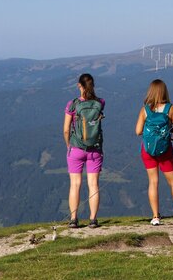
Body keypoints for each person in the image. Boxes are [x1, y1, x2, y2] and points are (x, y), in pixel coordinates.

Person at [135, 79, 173, 226]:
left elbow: (137, 131)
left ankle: (155, 217)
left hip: (148, 150)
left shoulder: (145, 110)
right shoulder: (170, 108)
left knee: (153, 182)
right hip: (165, 151)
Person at [63, 73, 105, 229]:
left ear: (79, 85)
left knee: (75, 185)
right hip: (95, 149)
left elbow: (66, 130)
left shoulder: (72, 105)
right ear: (93, 85)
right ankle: (93, 220)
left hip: (76, 148)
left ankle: (74, 219)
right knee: (93, 185)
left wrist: (69, 145)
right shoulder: (100, 102)